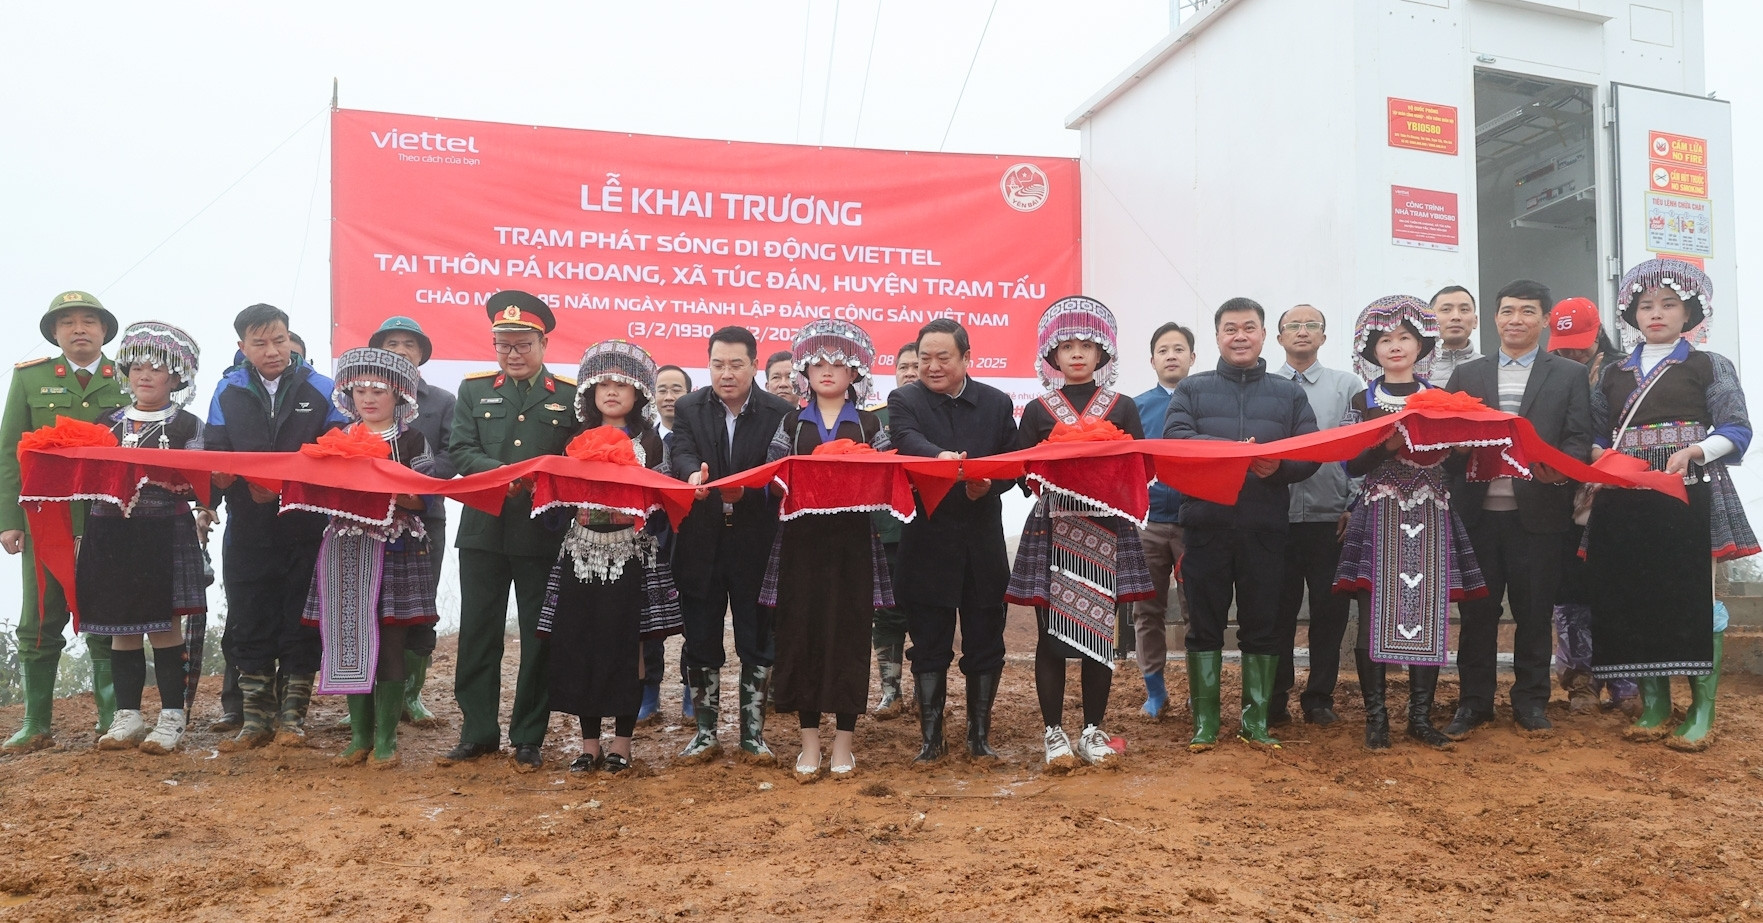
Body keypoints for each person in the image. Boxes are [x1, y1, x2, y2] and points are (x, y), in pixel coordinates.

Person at [1587, 259, 1754, 751]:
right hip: (1626, 493)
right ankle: (1655, 704)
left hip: (1691, 487)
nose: (1656, 314)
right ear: (1631, 315)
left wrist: (1697, 450)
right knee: (1637, 596)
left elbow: (1737, 428)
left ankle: (1703, 710)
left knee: (1694, 594)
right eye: (1645, 306)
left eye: (1668, 304)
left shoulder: (1709, 364)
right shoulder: (1613, 372)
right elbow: (1597, 434)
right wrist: (1600, 456)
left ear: (1690, 312)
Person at [1163, 297, 1319, 751]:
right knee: (1204, 623)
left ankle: (1256, 720)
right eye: (1230, 329)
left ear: (1263, 335)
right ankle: (1205, 722)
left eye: (1248, 328)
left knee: (1263, 623)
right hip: (1206, 525)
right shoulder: (1191, 390)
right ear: (1217, 337)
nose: (1240, 336)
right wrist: (1236, 450)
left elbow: (1309, 451)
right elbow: (1176, 439)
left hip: (1265, 527)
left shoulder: (1288, 393)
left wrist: (1279, 466)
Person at [1441, 280, 1594, 739]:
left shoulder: (1566, 375)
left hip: (1540, 515)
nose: (1516, 320)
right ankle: (1475, 704)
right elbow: (1444, 439)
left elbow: (1578, 439)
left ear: (1545, 320)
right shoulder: (1469, 374)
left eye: (1527, 312)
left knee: (1534, 613)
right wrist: (1460, 451)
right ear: (1494, 317)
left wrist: (1561, 471)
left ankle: (1530, 702)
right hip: (1477, 516)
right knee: (1478, 616)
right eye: (1507, 310)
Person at [1333, 297, 1485, 750]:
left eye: (1404, 338)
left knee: (1430, 614)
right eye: (1385, 340)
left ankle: (1419, 717)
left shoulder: (1441, 400)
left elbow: (1462, 463)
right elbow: (1349, 465)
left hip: (1431, 510)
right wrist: (1389, 445)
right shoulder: (1361, 399)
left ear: (1421, 346)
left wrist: (1459, 450)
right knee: (1371, 616)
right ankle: (1376, 719)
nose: (1395, 347)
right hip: (1378, 511)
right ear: (1371, 349)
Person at [1006, 297, 1148, 769]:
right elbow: (1024, 473)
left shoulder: (1123, 406)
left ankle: (1092, 729)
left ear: (1104, 352)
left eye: (1088, 344)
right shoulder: (1038, 410)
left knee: (1099, 636)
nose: (1078, 353)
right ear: (1052, 354)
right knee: (1051, 638)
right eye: (1067, 345)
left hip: (1106, 528)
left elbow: (1137, 469)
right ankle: (1053, 732)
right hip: (1054, 528)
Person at [442, 291, 579, 772]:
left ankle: (528, 735)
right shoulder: (474, 390)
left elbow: (575, 459)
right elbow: (460, 449)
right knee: (479, 633)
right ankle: (477, 731)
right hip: (483, 528)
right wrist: (504, 475)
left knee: (538, 636)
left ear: (543, 343)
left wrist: (535, 481)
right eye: (504, 345)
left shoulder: (567, 395)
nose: (514, 354)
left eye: (523, 344)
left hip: (542, 532)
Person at [206, 303, 346, 751]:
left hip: (306, 527)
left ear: (290, 338)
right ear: (242, 347)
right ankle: (254, 720)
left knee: (301, 618)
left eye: (280, 340)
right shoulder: (225, 391)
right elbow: (214, 454)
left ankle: (293, 720)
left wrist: (286, 489)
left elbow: (337, 453)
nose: (272, 351)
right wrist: (232, 488)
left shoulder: (323, 389)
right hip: (246, 526)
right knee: (249, 617)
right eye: (261, 343)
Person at [760, 320, 894, 780]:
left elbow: (889, 480)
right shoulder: (790, 421)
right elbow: (770, 478)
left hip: (854, 542)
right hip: (800, 540)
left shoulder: (873, 422)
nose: (828, 371)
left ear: (856, 371)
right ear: (804, 370)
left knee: (850, 637)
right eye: (818, 363)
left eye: (839, 363)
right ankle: (809, 742)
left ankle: (844, 744)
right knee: (801, 636)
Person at [539, 340, 681, 774]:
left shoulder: (652, 442)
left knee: (627, 650)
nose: (613, 391)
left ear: (639, 393)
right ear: (590, 393)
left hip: (631, 554)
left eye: (623, 383)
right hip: (580, 551)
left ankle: (622, 743)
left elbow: (664, 499)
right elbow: (557, 505)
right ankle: (589, 745)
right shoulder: (573, 440)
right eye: (604, 383)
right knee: (582, 644)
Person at [0, 291, 130, 751]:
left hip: (107, 516)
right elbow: (9, 452)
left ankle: (112, 721)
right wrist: (8, 520)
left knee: (107, 616)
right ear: (54, 333)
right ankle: (36, 723)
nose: (79, 329)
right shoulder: (30, 378)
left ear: (104, 331)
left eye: (89, 321)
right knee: (39, 618)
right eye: (68, 322)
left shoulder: (129, 376)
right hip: (45, 517)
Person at [888, 318, 1017, 763]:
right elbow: (905, 439)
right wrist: (938, 459)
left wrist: (990, 486)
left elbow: (1012, 464)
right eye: (925, 358)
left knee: (986, 641)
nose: (932, 365)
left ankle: (978, 737)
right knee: (928, 644)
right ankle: (931, 740)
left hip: (981, 543)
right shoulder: (904, 399)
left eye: (943, 357)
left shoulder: (997, 404)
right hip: (927, 541)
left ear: (966, 358)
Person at [305, 348, 438, 769]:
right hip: (346, 547)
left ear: (399, 395)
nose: (368, 397)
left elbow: (425, 496)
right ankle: (358, 737)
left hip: (395, 545)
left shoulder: (412, 440)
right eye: (359, 388)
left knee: (391, 640)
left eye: (379, 389)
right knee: (348, 637)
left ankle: (386, 740)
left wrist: (388, 487)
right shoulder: (337, 438)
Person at [668, 326, 794, 763]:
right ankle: (705, 733)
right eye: (718, 364)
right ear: (708, 364)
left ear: (755, 366)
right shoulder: (688, 406)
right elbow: (681, 451)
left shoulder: (780, 410)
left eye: (736, 364)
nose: (726, 373)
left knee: (756, 637)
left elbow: (781, 471)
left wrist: (752, 492)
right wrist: (692, 477)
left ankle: (753, 734)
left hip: (755, 541)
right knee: (700, 636)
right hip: (701, 539)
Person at [80, 322, 207, 755]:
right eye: (136, 367)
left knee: (166, 628)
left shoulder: (190, 424)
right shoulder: (104, 422)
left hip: (163, 532)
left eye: (157, 368)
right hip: (110, 531)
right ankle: (128, 716)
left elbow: (201, 484)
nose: (145, 375)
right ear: (125, 374)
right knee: (121, 630)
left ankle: (172, 716)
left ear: (176, 376)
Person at [1540, 298, 1637, 716]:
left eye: (1580, 344)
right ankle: (1579, 680)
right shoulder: (1547, 371)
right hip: (1565, 498)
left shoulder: (1625, 372)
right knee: (1571, 588)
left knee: (1618, 584)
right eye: (1563, 344)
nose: (1573, 353)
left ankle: (1626, 682)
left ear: (1598, 333)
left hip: (1618, 493)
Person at [1270, 305, 1362, 728]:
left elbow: (1358, 448)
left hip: (1332, 519)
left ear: (1324, 337)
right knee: (1277, 611)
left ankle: (1320, 696)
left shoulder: (1347, 386)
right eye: (1293, 325)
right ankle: (1276, 696)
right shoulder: (1266, 387)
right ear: (1279, 337)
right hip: (1277, 518)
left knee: (1329, 612)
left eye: (1312, 326)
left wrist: (1352, 504)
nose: (1302, 331)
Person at [367, 316, 456, 727]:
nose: (400, 350)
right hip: (363, 522)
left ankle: (411, 695)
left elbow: (454, 453)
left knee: (418, 609)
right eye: (391, 343)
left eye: (409, 344)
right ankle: (372, 698)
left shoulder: (440, 400)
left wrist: (416, 482)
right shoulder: (358, 398)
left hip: (422, 517)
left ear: (421, 354)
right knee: (368, 608)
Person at [1131, 322, 1193, 718]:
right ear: (1152, 359)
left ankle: (1198, 692)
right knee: (1146, 611)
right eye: (1163, 350)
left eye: (1179, 349)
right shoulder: (1135, 407)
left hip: (1194, 523)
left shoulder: (1205, 401)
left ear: (1192, 357)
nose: (1171, 355)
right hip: (1149, 523)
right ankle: (1155, 692)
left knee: (1197, 612)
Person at [637, 364, 694, 725]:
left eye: (677, 389)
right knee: (648, 622)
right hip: (649, 540)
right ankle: (648, 694)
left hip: (690, 540)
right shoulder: (642, 439)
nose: (669, 396)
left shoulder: (699, 436)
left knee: (694, 618)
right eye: (662, 389)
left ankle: (692, 692)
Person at [868, 342, 920, 719]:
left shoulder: (937, 414)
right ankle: (891, 691)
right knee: (886, 613)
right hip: (884, 530)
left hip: (926, 530)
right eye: (903, 366)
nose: (911, 372)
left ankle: (924, 686)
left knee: (924, 612)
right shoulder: (874, 418)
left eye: (917, 365)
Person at [1427, 286, 1481, 385]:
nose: (1456, 317)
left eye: (1464, 309)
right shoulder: (1414, 370)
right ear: (1431, 320)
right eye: (1446, 309)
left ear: (1475, 321)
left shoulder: (1490, 368)